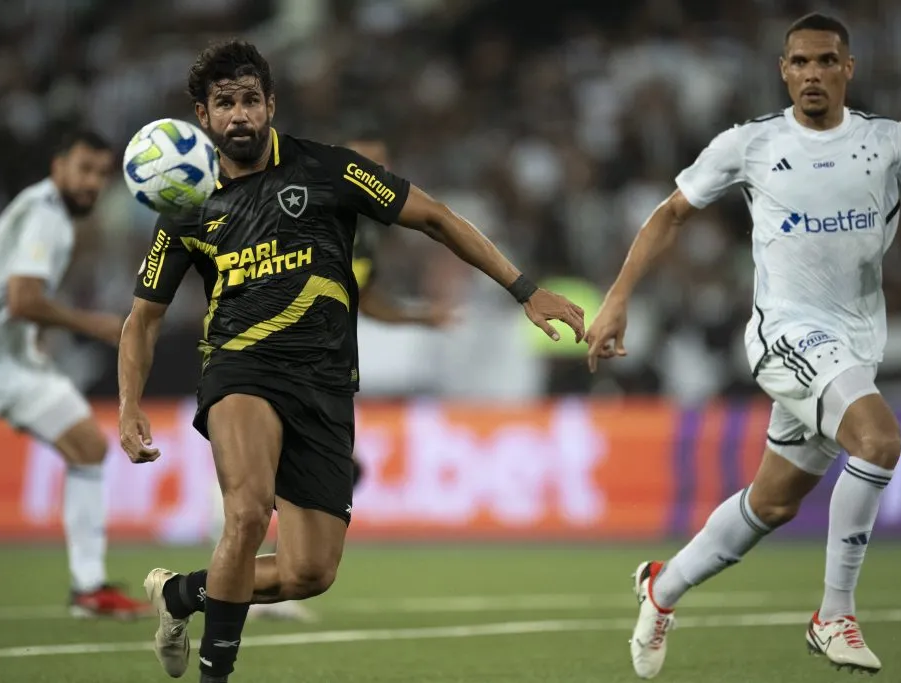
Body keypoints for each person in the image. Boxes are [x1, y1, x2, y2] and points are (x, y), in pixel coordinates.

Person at [117, 39, 583, 683]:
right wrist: (128, 403)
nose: (240, 115)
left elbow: (438, 218)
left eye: (250, 99)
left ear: (271, 104)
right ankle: (214, 676)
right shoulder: (186, 207)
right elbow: (142, 318)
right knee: (247, 514)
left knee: (311, 572)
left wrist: (525, 290)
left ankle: (179, 596)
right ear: (203, 116)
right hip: (240, 372)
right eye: (224, 104)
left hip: (327, 387)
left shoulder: (328, 169)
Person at [586, 13, 901, 679]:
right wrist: (618, 297)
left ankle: (660, 588)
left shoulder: (892, 145)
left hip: (854, 345)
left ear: (848, 68)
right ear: (783, 70)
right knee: (879, 441)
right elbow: (669, 213)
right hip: (785, 335)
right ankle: (834, 614)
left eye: (826, 61)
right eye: (800, 63)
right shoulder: (751, 144)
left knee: (772, 503)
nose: (812, 74)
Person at [241, 132, 453, 623]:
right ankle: (236, 585)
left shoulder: (368, 233)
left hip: (320, 375)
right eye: (365, 164)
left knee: (336, 475)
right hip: (268, 364)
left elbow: (368, 298)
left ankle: (262, 579)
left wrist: (421, 319)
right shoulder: (303, 206)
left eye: (382, 166)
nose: (374, 176)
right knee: (255, 489)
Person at [0, 128, 152, 618]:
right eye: (84, 169)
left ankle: (89, 589)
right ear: (58, 167)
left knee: (88, 447)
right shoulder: (47, 215)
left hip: (16, 365)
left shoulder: (47, 212)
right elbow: (22, 299)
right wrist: (93, 323)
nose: (92, 183)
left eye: (101, 175)